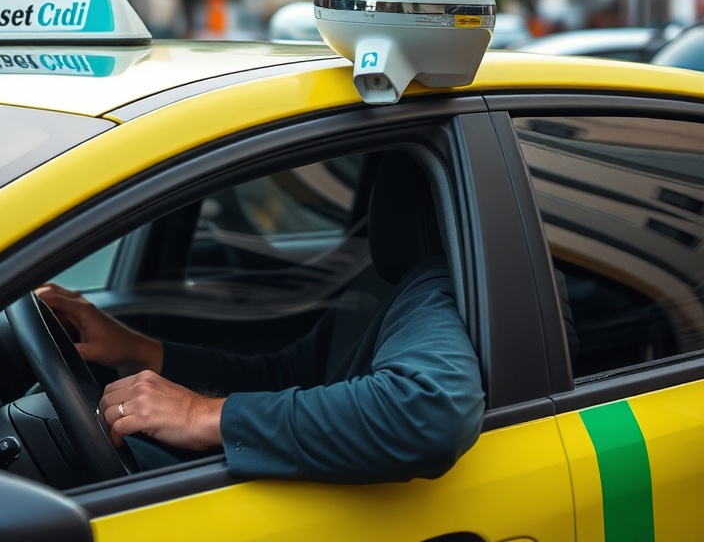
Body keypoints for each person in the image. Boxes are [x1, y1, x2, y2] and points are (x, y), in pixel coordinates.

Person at [37, 152, 485, 484]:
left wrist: (199, 414)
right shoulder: (380, 284)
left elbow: (430, 412)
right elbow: (289, 374)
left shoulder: (434, 292)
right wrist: (138, 350)